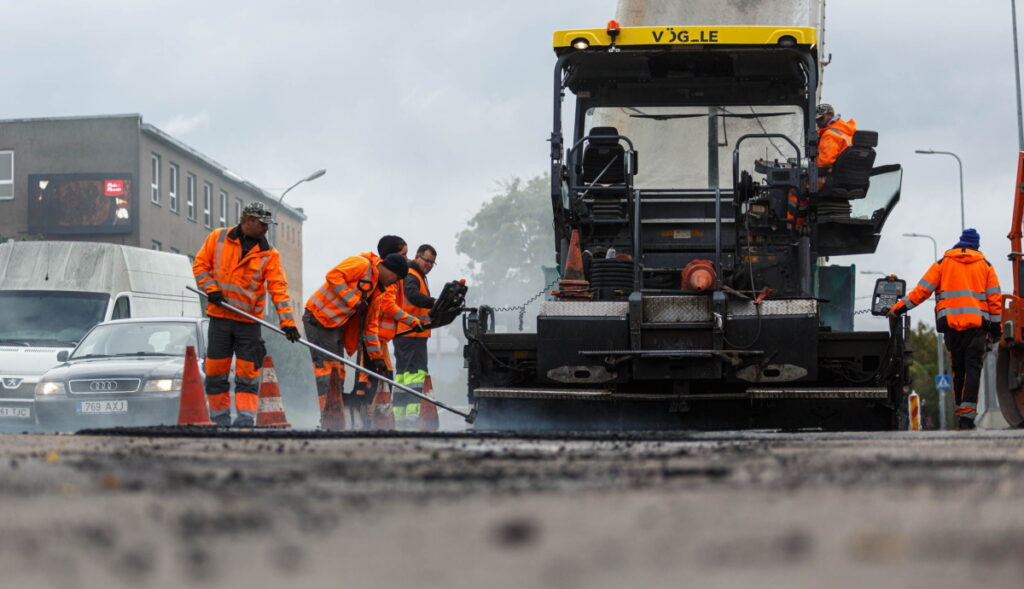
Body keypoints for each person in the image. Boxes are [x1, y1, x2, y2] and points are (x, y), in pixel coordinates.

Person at [193, 201, 300, 427]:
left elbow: (278, 290)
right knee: (215, 373)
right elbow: (200, 266)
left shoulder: (269, 254)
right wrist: (211, 290)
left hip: (248, 323)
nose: (266, 229)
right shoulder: (218, 238)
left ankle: (245, 419)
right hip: (220, 318)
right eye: (263, 224)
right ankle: (219, 419)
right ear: (248, 221)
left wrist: (288, 323)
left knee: (247, 374)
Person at [887, 228, 1002, 430]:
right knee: (973, 369)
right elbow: (995, 301)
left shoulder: (943, 264)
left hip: (952, 328)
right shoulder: (986, 267)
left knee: (958, 369)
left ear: (960, 243)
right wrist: (996, 330)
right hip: (977, 329)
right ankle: (967, 417)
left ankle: (961, 413)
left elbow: (921, 291)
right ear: (976, 246)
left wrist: (897, 308)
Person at [303, 250, 408, 421]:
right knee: (328, 370)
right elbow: (333, 276)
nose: (393, 284)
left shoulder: (377, 292)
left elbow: (370, 327)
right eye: (395, 279)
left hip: (335, 324)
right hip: (318, 318)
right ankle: (329, 417)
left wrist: (376, 357)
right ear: (391, 271)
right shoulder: (361, 264)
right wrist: (354, 301)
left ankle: (335, 413)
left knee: (339, 371)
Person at [354, 236, 424, 428]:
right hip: (373, 336)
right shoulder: (389, 278)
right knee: (371, 377)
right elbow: (388, 305)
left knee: (383, 375)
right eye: (403, 254)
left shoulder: (391, 277)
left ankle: (369, 416)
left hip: (380, 338)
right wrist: (410, 320)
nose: (407, 258)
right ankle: (365, 417)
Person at [393, 244, 438, 430]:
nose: (428, 264)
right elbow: (412, 295)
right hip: (411, 333)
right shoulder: (412, 273)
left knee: (403, 376)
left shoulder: (416, 274)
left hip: (407, 333)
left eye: (432, 263)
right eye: (426, 260)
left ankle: (401, 418)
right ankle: (413, 417)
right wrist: (433, 302)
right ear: (417, 257)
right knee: (416, 374)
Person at [815, 103, 857, 170]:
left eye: (821, 118)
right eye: (816, 120)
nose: (818, 122)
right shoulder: (846, 131)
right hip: (848, 172)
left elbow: (825, 162)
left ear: (831, 115)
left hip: (838, 176)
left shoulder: (829, 134)